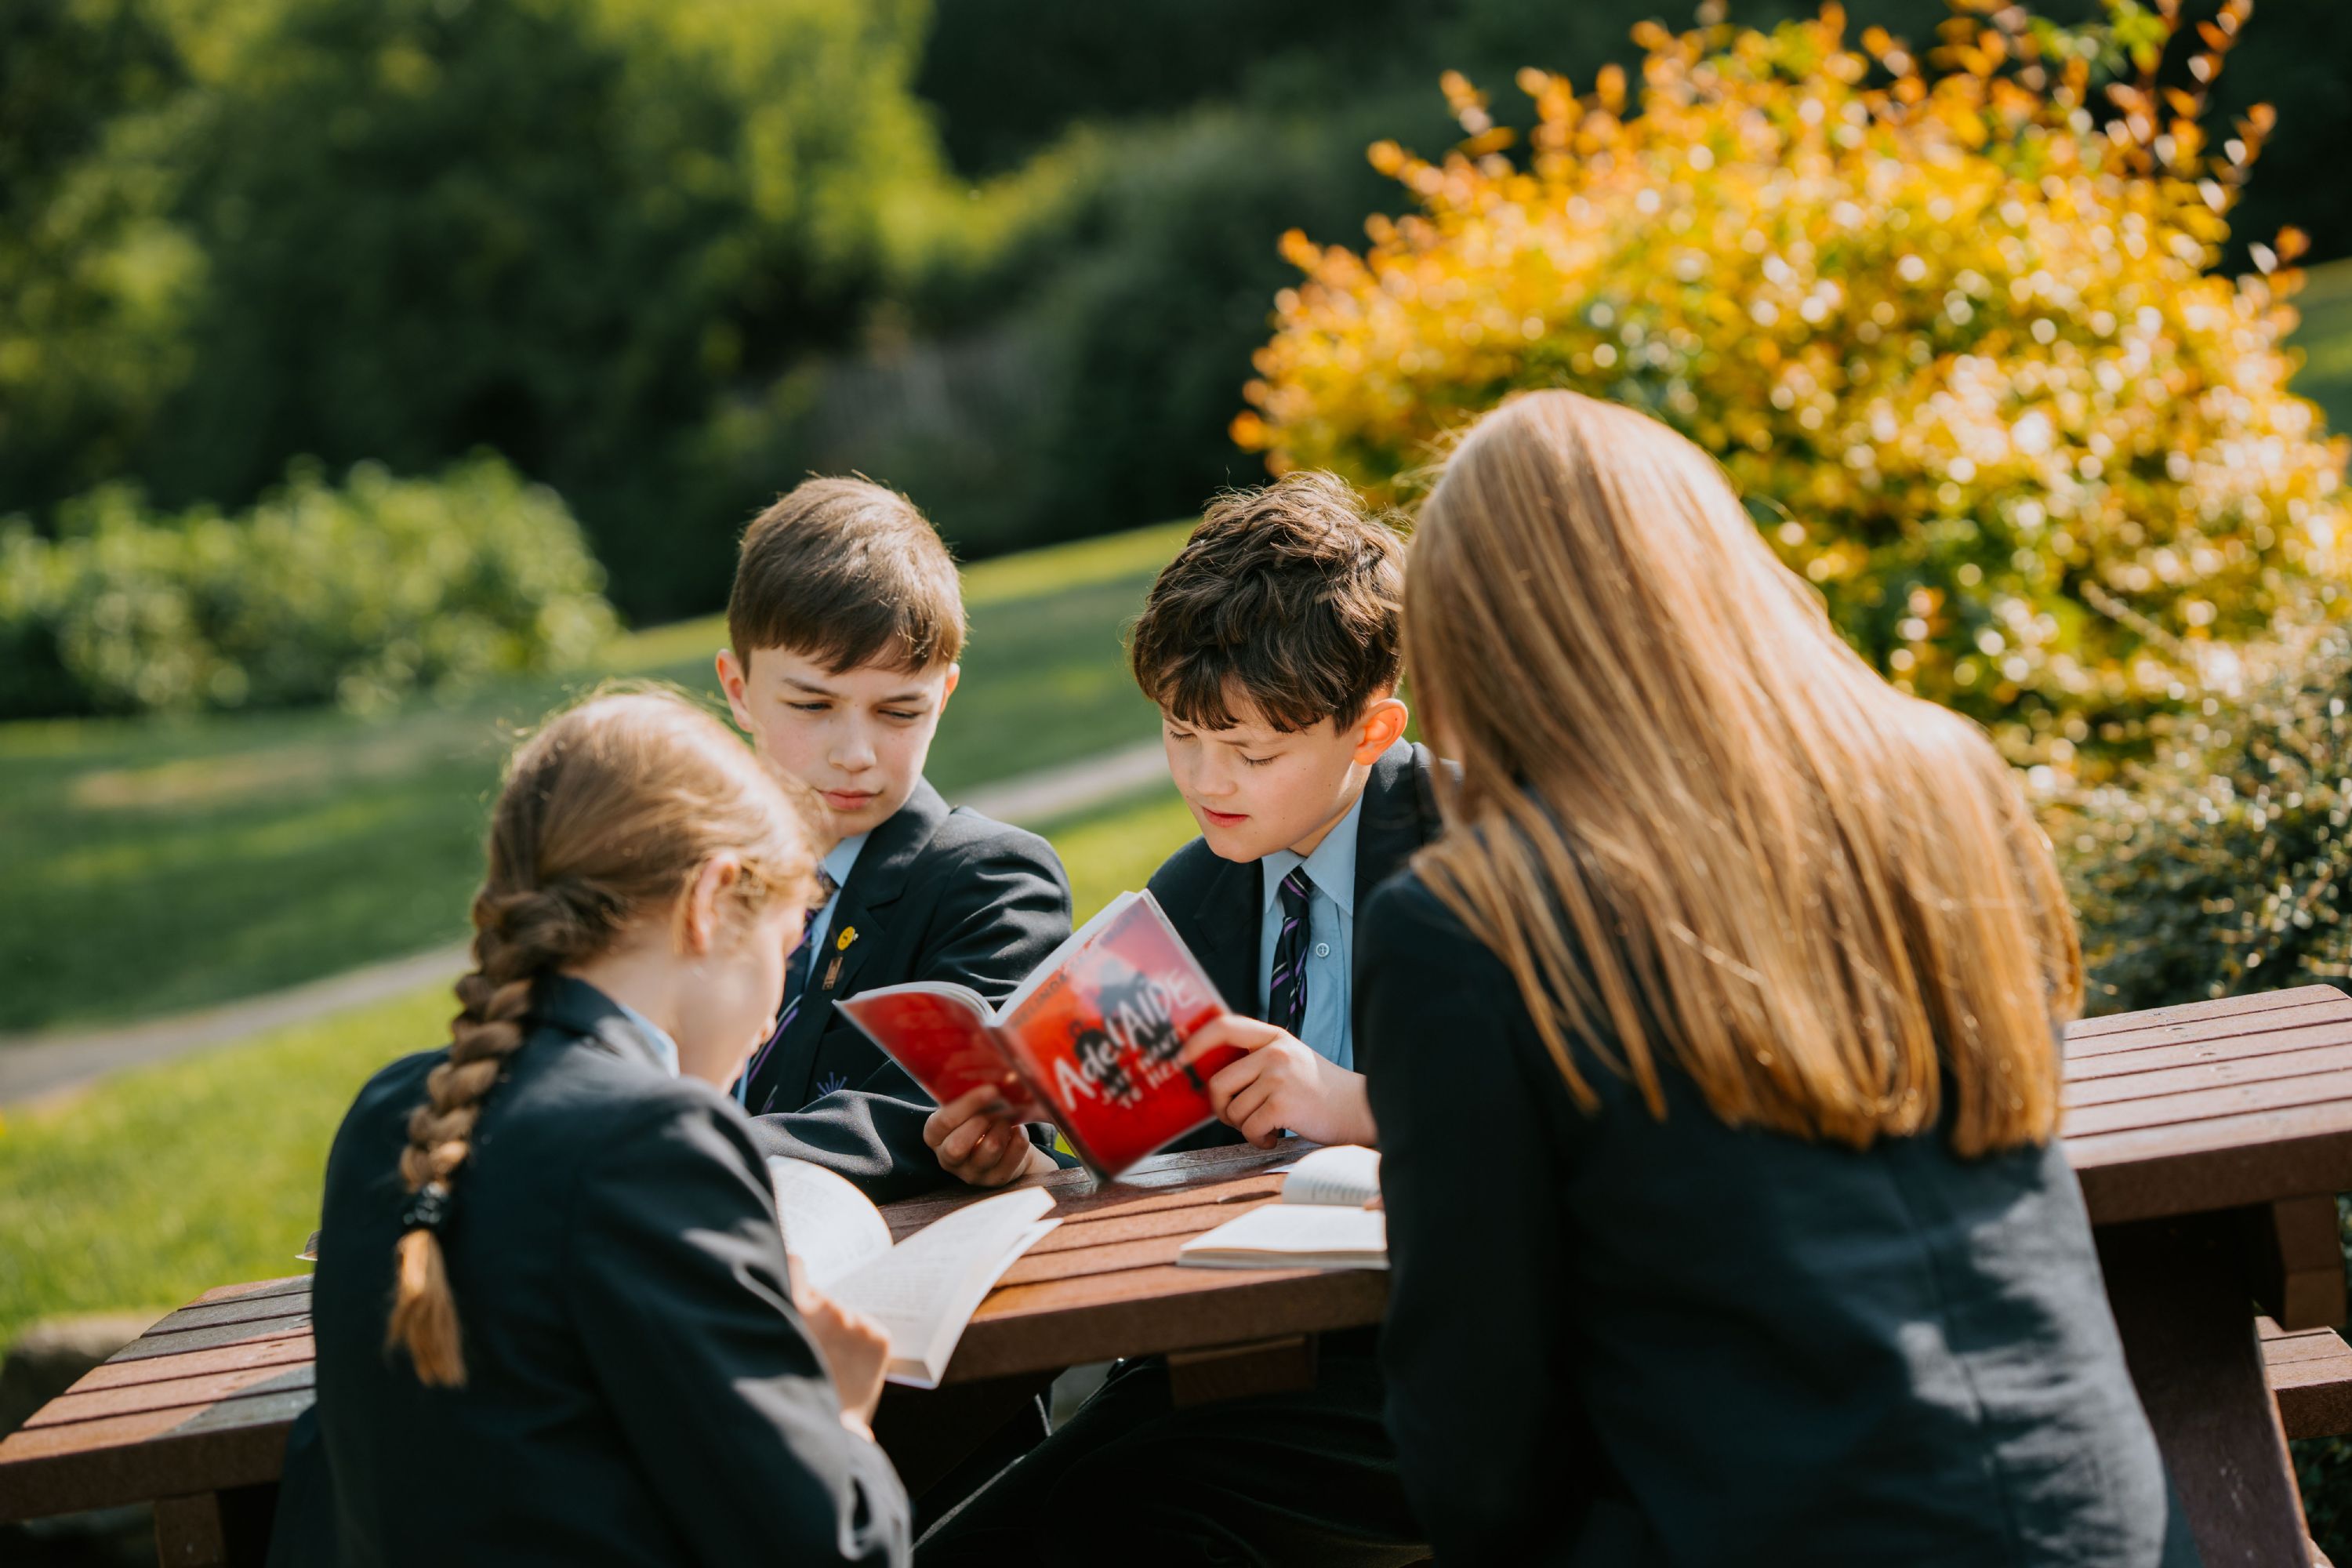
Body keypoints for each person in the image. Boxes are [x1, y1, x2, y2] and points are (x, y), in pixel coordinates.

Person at [1361, 388, 2195, 1564]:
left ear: (1473, 648)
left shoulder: (1467, 922)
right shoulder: (1946, 783)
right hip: (2103, 1515)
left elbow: (1477, 1447)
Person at [920, 473, 1434, 1567]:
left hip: (1434, 1362)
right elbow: (1147, 1141)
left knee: (1110, 1513)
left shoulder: (1469, 855)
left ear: (1373, 727)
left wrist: (1352, 1104)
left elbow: (1573, 1105)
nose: (1209, 783)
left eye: (1252, 754)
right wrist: (1024, 1130)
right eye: (1179, 735)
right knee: (1008, 1522)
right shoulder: (1191, 897)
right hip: (1231, 1346)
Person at [279, 690, 909, 1567]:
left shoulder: (389, 1110)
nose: (772, 1018)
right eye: (784, 942)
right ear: (712, 897)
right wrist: (837, 1410)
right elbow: (836, 1550)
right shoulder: (657, 1138)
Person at [715, 477, 1075, 1200]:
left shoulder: (993, 882)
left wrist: (670, 1157)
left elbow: (920, 1113)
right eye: (813, 704)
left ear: (943, 697)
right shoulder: (695, 881)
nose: (856, 752)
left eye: (898, 712)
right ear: (738, 689)